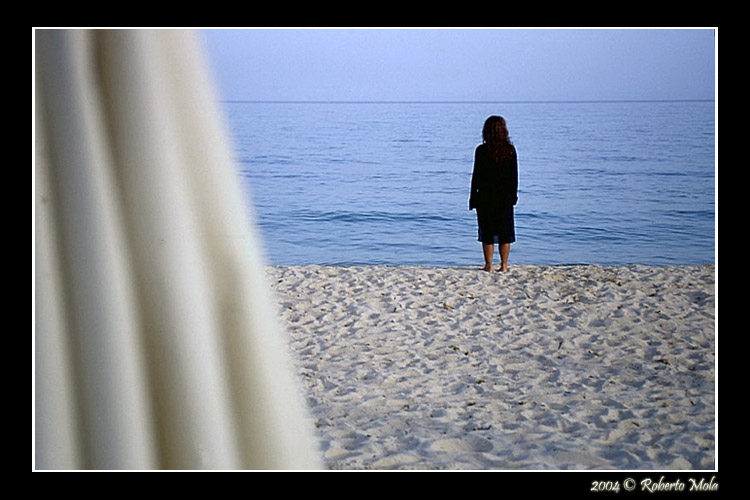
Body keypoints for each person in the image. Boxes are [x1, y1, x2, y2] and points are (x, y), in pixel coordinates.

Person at [469, 116, 518, 273]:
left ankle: (489, 265)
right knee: (505, 232)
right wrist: (513, 196)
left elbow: (476, 176)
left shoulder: (481, 150)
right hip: (505, 196)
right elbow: (514, 176)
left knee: (487, 232)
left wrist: (472, 197)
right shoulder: (510, 150)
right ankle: (504, 265)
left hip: (485, 196)